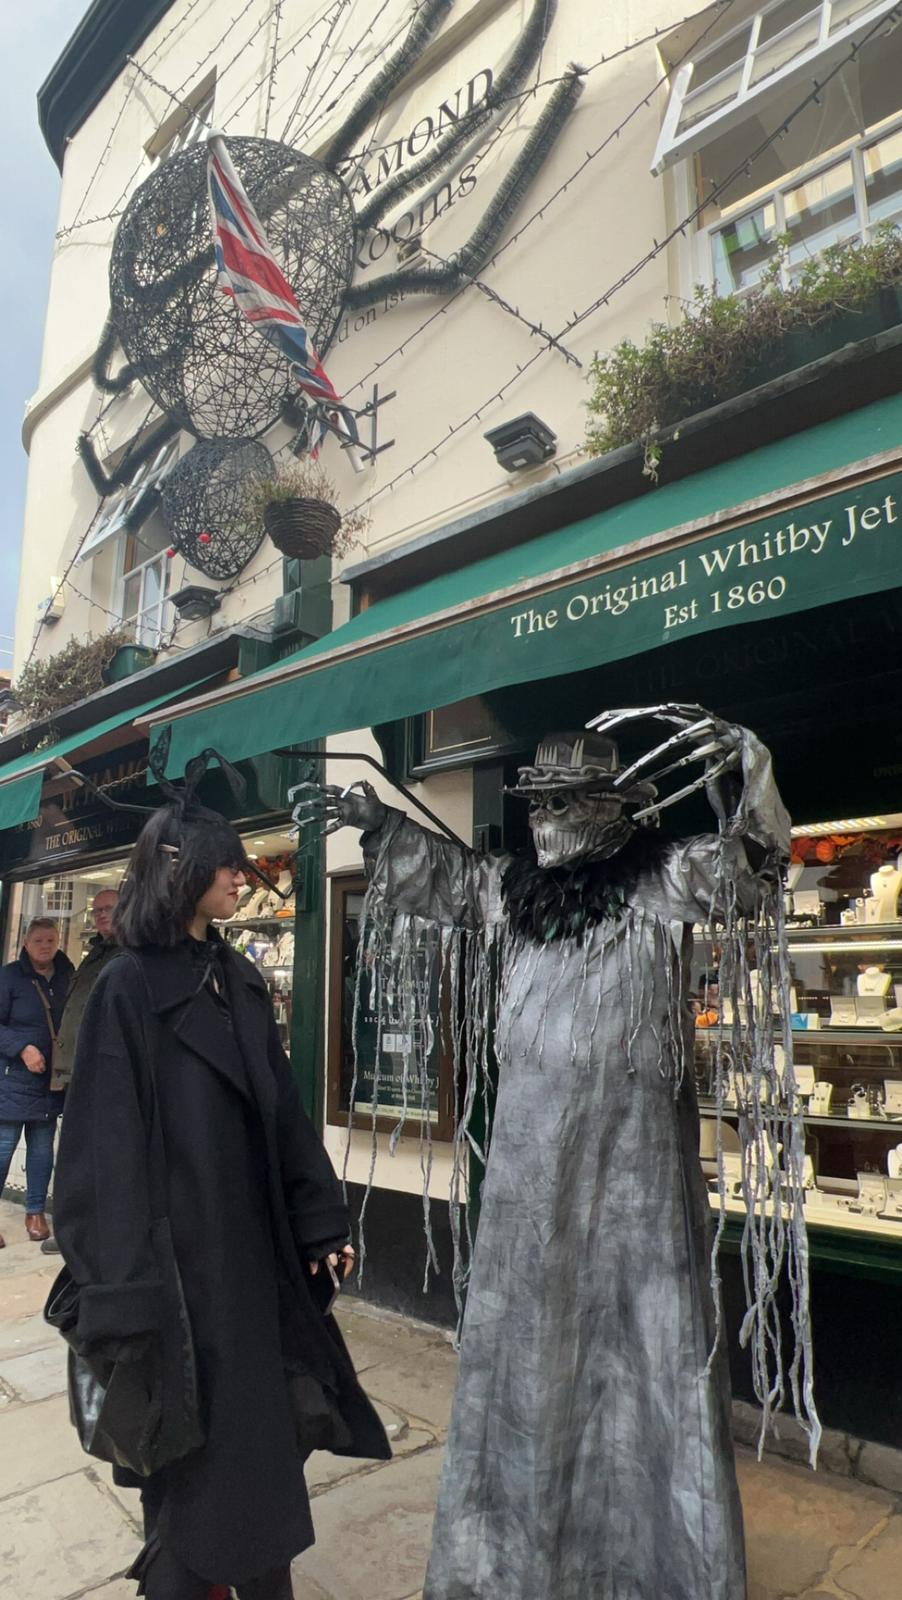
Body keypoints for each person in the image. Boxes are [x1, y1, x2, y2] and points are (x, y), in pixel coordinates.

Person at [295, 706, 817, 1600]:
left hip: (634, 1183)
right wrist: (380, 825)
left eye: (563, 800)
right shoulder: (514, 890)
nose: (542, 819)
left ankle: (655, 1566)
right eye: (537, 802)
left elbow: (753, 871)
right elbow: (449, 881)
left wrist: (748, 768)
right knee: (531, 1361)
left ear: (611, 807)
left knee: (644, 1355)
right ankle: (517, 1560)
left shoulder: (663, 878)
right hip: (529, 1186)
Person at [52, 794, 389, 1599]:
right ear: (182, 870)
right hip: (175, 1277)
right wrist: (119, 1290)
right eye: (227, 864)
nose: (242, 878)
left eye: (240, 864)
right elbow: (102, 1151)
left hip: (255, 1264)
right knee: (190, 1465)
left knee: (258, 1454)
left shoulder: (237, 979)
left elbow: (283, 1113)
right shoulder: (128, 987)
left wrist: (320, 1222)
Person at [39, 889, 121, 1255]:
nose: (101, 915)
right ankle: (75, 1230)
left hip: (102, 1073)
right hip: (75, 1071)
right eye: (97, 910)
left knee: (98, 1155)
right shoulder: (95, 954)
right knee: (77, 1154)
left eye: (109, 909)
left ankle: (92, 1231)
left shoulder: (129, 954)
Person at [0, 917, 74, 1247]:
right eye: (38, 941)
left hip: (50, 1082)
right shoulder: (9, 977)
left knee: (43, 1149)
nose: (45, 946)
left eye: (50, 940)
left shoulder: (68, 977)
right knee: (3, 1148)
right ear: (26, 944)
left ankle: (35, 1213)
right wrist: (22, 1048)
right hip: (13, 1080)